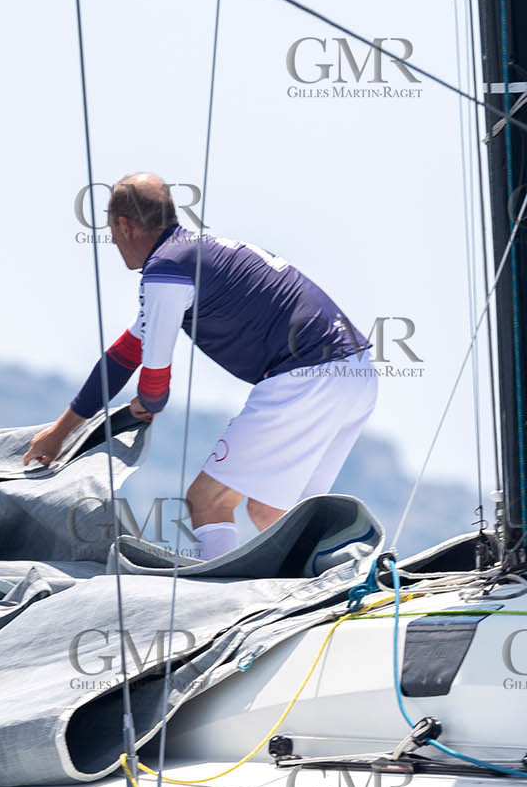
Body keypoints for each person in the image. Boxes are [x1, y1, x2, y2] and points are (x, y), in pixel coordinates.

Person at [22, 173, 378, 560]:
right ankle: (346, 584)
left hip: (308, 377)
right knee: (274, 513)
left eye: (110, 230)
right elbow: (125, 353)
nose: (110, 241)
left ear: (124, 225)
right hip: (356, 374)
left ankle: (221, 601)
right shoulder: (194, 253)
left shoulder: (166, 271)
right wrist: (61, 431)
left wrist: (148, 403)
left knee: (207, 500)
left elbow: (156, 380)